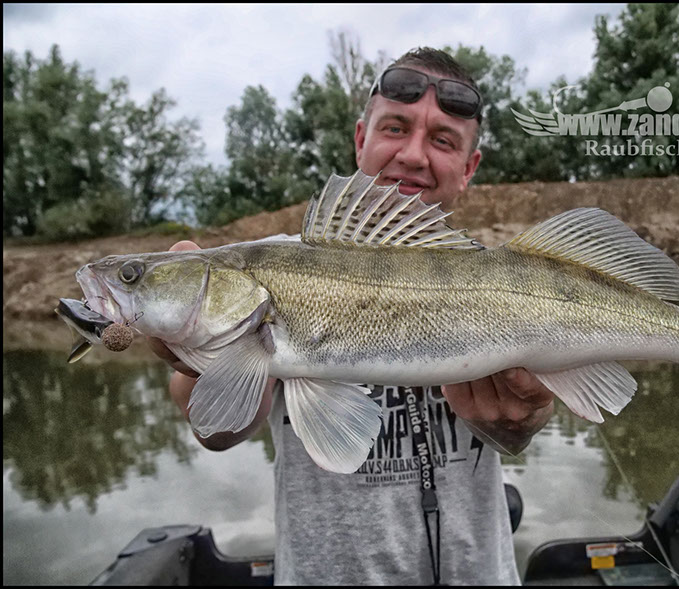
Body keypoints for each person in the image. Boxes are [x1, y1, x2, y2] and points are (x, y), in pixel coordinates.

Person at [148, 47, 556, 585]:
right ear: (361, 139)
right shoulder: (275, 264)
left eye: (443, 140)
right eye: (395, 128)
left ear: (469, 168)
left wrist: (523, 419)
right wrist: (200, 356)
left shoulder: (513, 280)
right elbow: (216, 429)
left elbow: (523, 434)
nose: (414, 154)